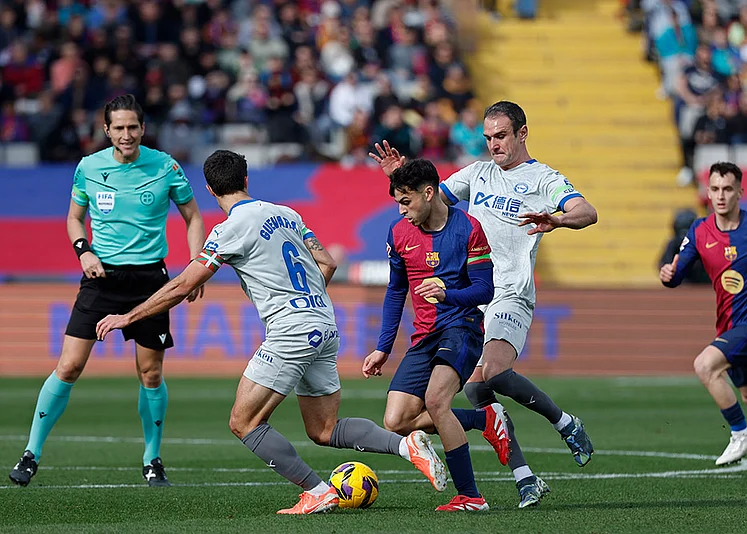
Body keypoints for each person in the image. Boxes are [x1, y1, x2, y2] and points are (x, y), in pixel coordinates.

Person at [96, 150, 447, 514]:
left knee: (243, 421)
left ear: (209, 191)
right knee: (324, 429)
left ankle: (317, 491)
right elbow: (327, 262)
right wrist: (308, 305)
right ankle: (405, 446)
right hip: (324, 323)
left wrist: (128, 317)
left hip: (292, 330)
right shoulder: (287, 214)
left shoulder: (229, 230)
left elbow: (183, 284)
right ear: (246, 180)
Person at [370, 100, 598, 508]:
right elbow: (428, 199)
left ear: (522, 133)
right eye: (488, 137)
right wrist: (402, 179)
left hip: (510, 290)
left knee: (489, 373)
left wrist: (559, 219)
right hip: (472, 296)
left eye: (501, 136)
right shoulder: (477, 174)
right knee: (476, 391)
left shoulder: (543, 178)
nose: (493, 145)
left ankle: (563, 422)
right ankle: (526, 478)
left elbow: (587, 211)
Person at [9, 94, 206, 488]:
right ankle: (31, 453)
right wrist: (83, 253)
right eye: (119, 128)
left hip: (152, 281)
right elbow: (74, 219)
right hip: (101, 279)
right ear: (106, 130)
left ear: (143, 128)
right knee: (68, 366)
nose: (127, 134)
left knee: (150, 373)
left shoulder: (165, 167)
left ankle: (152, 459)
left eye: (133, 127)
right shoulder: (89, 167)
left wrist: (196, 265)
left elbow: (193, 216)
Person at [362, 159, 502, 512]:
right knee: (396, 421)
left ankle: (471, 496)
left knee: (437, 401)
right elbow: (396, 292)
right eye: (397, 202)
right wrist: (382, 348)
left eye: (405, 202)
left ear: (429, 193)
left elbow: (485, 290)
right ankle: (483, 418)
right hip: (424, 337)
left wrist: (447, 294)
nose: (400, 210)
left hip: (462, 327)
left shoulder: (469, 228)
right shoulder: (398, 233)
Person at [660, 161, 747, 479]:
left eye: (727, 189)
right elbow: (677, 275)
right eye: (715, 189)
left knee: (705, 365)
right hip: (730, 326)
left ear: (740, 192)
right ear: (708, 192)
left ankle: (741, 435)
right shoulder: (699, 230)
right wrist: (667, 274)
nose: (721, 196)